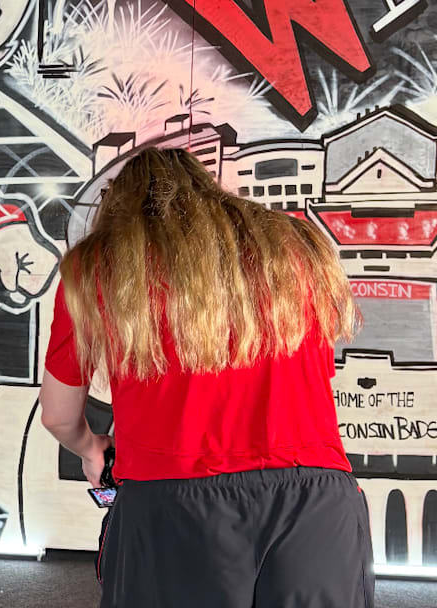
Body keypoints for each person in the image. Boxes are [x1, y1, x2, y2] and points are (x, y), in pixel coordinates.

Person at [39, 147, 374, 607]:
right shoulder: (297, 245)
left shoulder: (95, 266)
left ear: (116, 202)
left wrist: (91, 447)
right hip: (316, 498)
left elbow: (59, 416)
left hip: (173, 503)